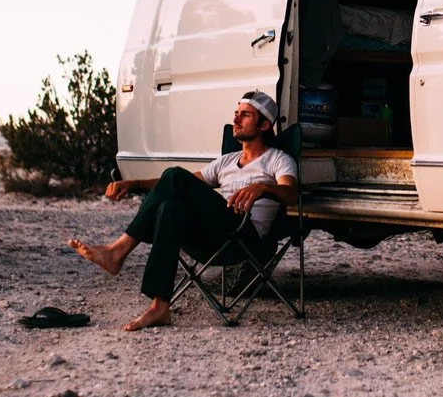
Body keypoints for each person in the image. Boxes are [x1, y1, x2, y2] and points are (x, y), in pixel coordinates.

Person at [67, 90, 298, 330]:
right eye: (236, 113)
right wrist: (134, 183)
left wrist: (263, 187)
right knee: (170, 207)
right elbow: (173, 184)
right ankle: (160, 307)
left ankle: (118, 251)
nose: (236, 120)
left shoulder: (277, 160)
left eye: (245, 115)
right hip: (213, 236)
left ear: (264, 125)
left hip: (244, 235)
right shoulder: (227, 161)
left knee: (175, 175)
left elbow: (290, 193)